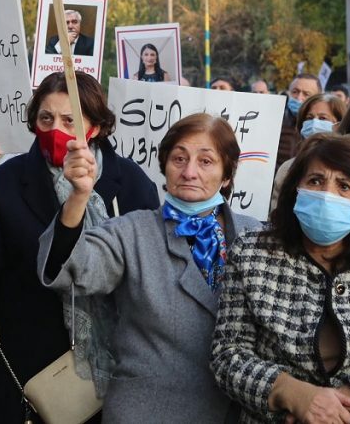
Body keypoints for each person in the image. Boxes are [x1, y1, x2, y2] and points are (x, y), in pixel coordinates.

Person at [0, 71, 158, 423]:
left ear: (95, 127)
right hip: (30, 372)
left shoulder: (132, 183)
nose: (55, 129)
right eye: (46, 118)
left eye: (69, 120)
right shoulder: (7, 179)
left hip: (116, 371)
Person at [38, 113, 261, 422]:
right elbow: (71, 269)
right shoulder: (133, 231)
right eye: (179, 159)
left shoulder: (257, 237)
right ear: (164, 167)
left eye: (206, 161)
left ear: (227, 175)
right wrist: (78, 197)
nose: (190, 172)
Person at [211, 134, 350, 423]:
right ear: (296, 189)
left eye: (344, 186)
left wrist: (341, 408)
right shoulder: (251, 252)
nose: (327, 195)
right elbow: (229, 353)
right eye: (316, 181)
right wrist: (294, 395)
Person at [272, 93, 346, 206]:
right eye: (309, 118)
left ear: (339, 124)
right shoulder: (288, 168)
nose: (314, 123)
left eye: (323, 118)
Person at [276, 74, 322, 166]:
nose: (299, 97)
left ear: (318, 98)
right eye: (295, 92)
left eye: (306, 94)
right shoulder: (275, 121)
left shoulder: (324, 127)